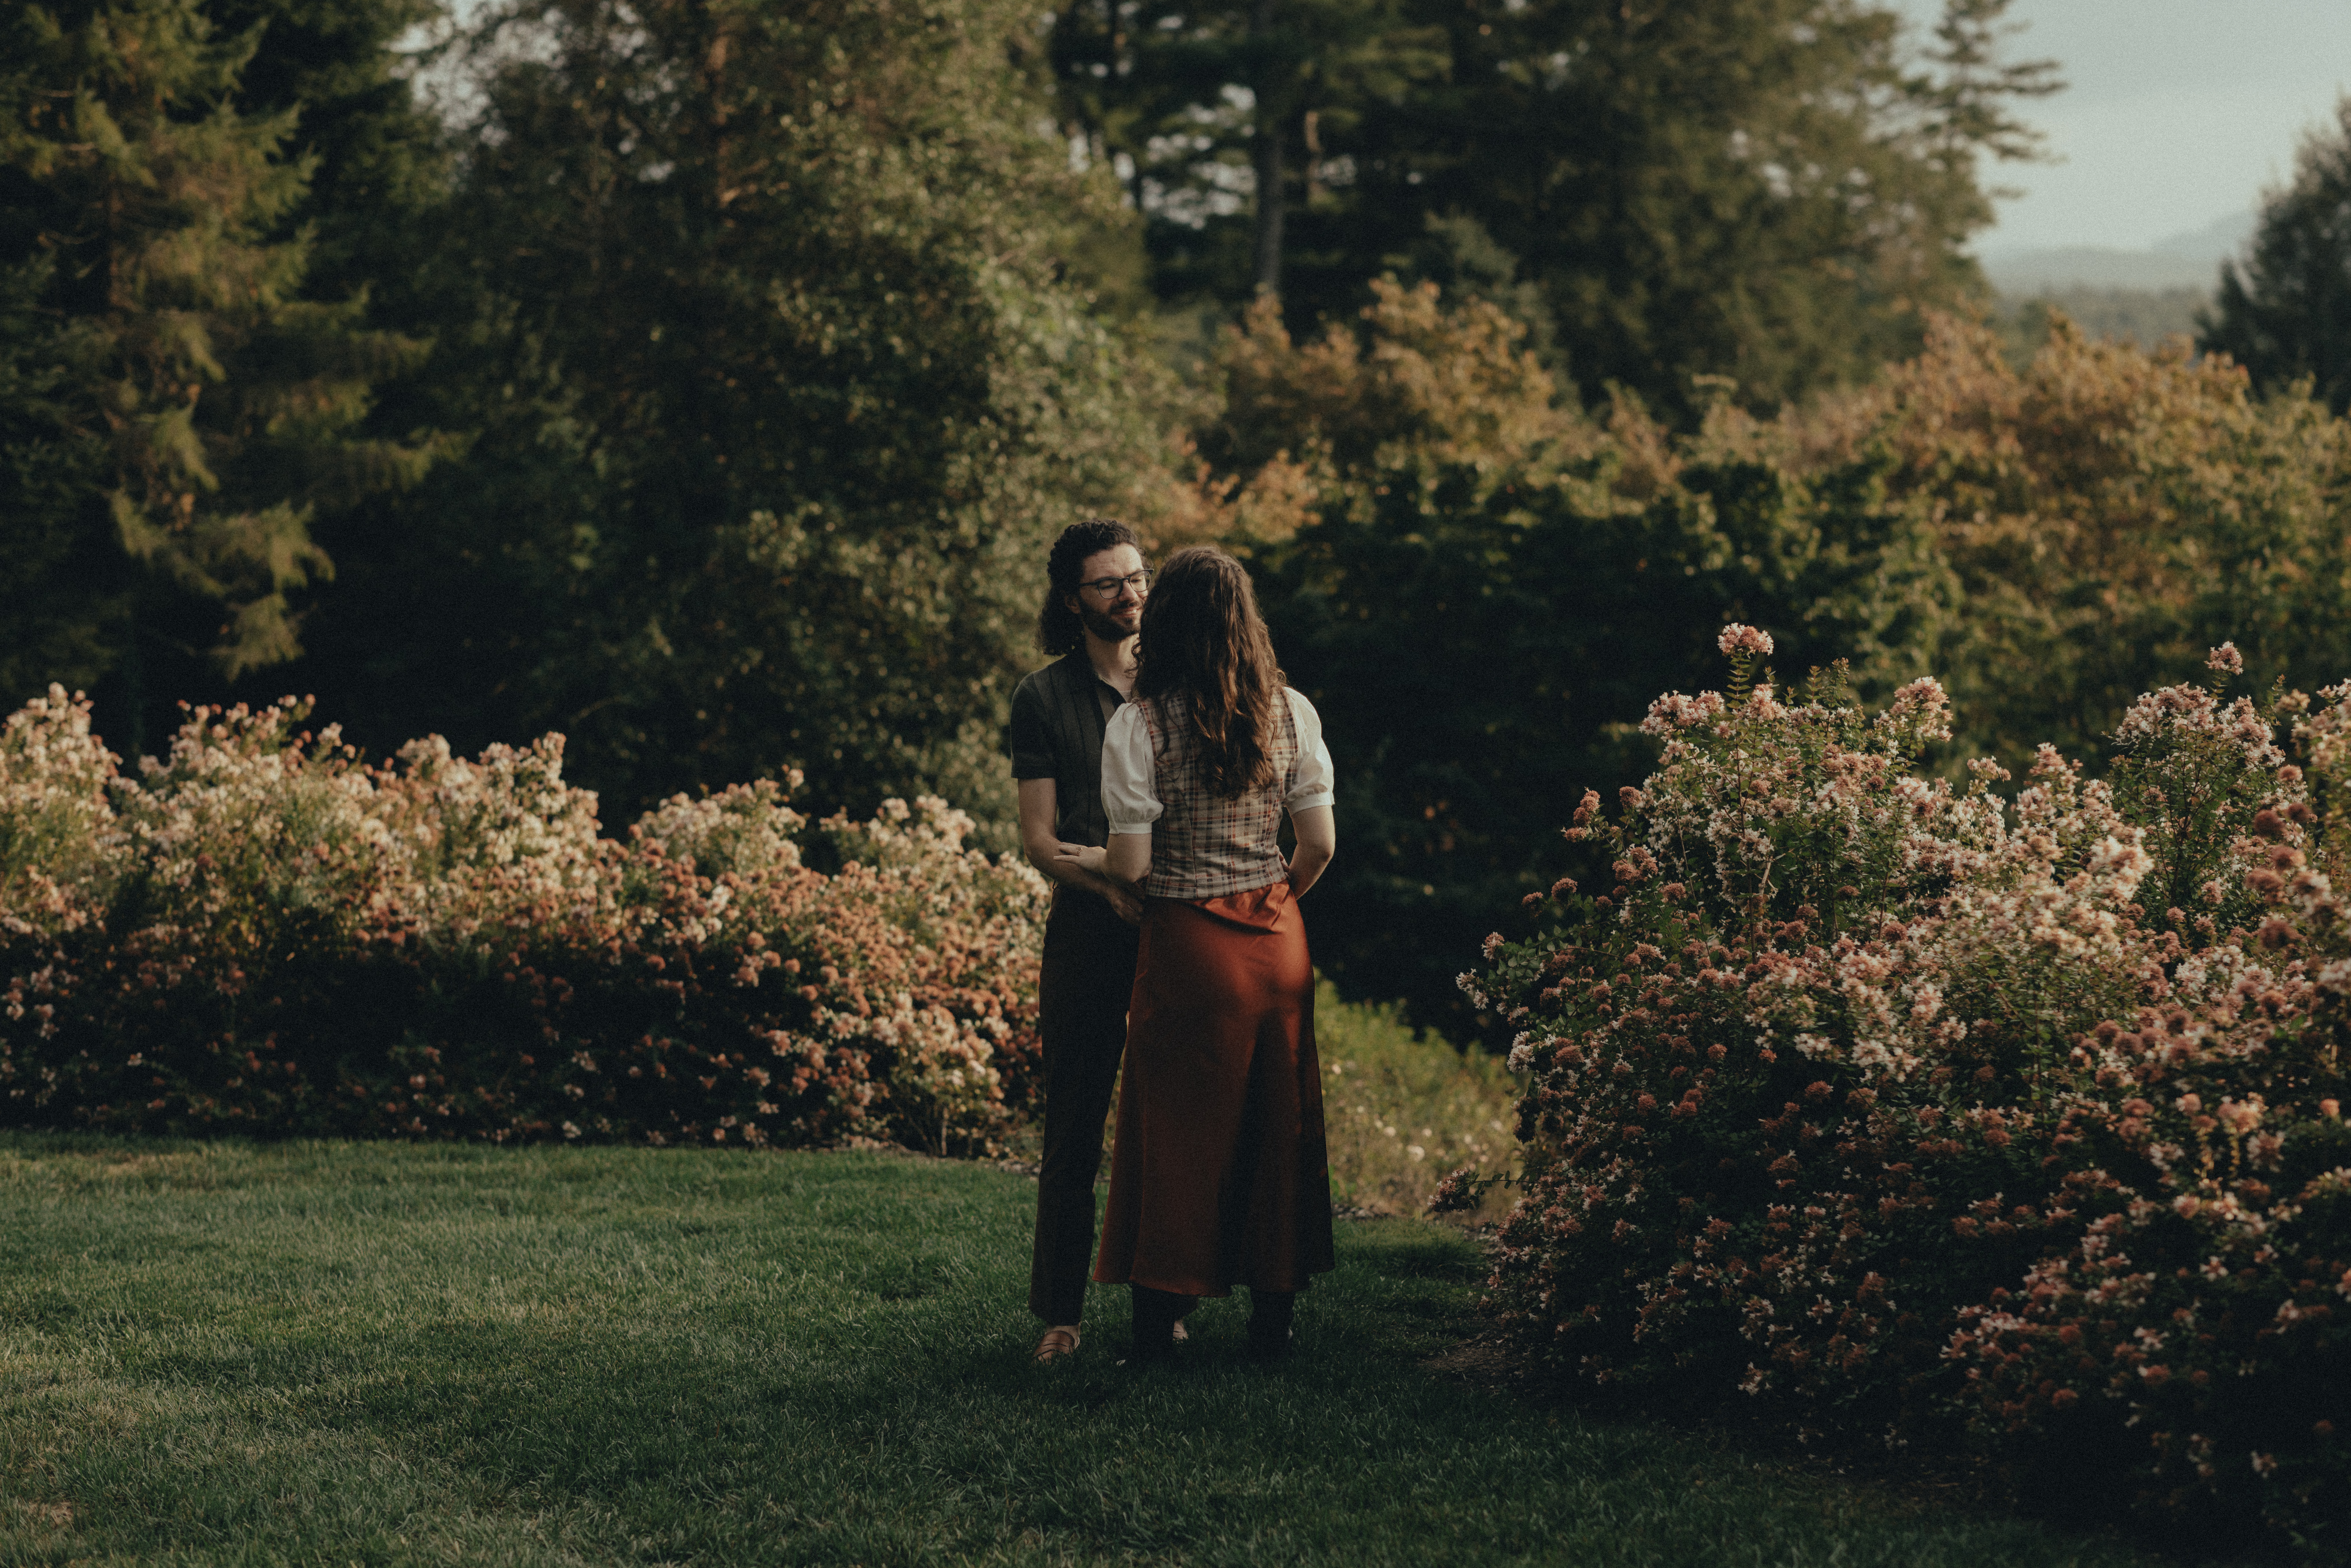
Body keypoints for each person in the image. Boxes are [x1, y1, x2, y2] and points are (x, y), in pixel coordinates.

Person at [1056, 545, 1337, 1363]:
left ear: (1167, 622)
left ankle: (1159, 1326)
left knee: (1177, 1131)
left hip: (1187, 944)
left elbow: (1134, 867)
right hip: (1278, 941)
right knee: (1276, 1126)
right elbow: (1317, 846)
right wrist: (1270, 897)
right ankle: (1273, 1322)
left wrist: (1081, 861)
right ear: (1245, 624)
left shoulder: (1139, 725)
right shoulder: (1291, 711)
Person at [1007, 519, 1155, 1365]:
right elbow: (1040, 837)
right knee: (1074, 1127)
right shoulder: (1044, 696)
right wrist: (1108, 885)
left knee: (1166, 1122)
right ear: (1074, 601)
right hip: (1087, 933)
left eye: (1138, 578)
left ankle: (1163, 1305)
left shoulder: (1179, 682)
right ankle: (1061, 1315)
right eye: (1109, 584)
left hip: (1178, 926)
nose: (1130, 594)